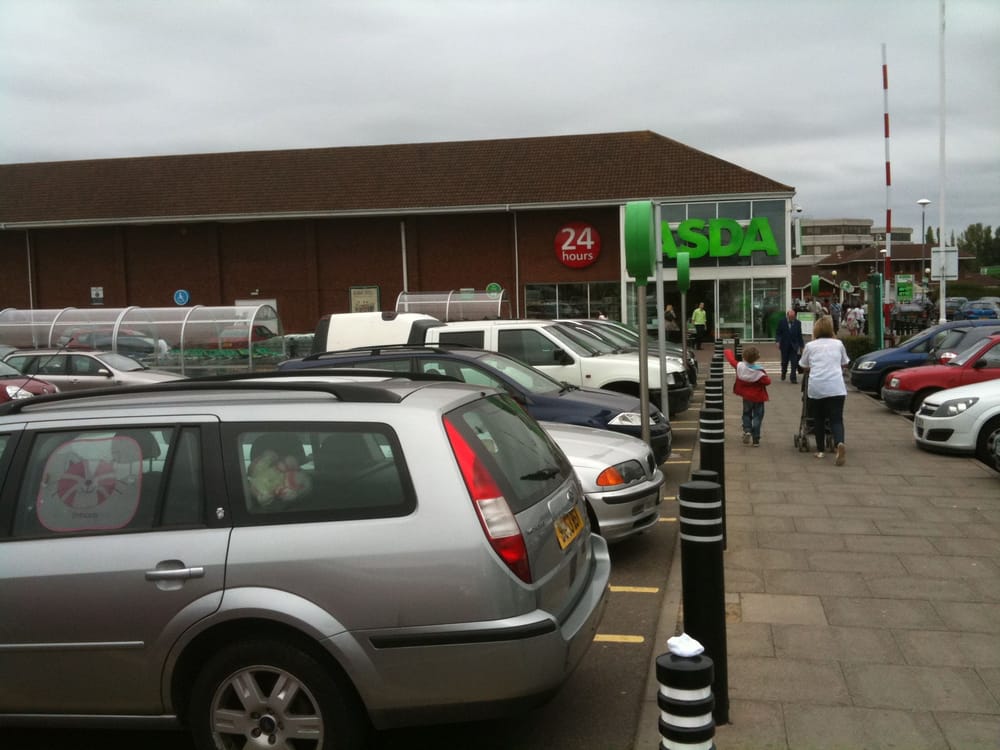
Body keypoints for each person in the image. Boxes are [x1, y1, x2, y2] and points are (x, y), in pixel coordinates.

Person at [798, 315, 850, 465]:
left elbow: (803, 364)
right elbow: (845, 362)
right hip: (836, 386)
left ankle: (820, 450)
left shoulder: (810, 346)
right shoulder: (838, 344)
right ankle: (839, 443)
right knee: (836, 418)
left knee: (818, 418)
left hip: (817, 386)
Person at [724, 345, 770, 446]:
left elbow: (732, 361)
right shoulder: (759, 371)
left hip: (747, 397)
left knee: (746, 414)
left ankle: (747, 430)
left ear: (744, 357)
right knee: (758, 417)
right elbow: (767, 381)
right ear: (757, 358)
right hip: (758, 397)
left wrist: (727, 351)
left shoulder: (740, 367)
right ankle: (756, 439)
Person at [775, 309, 805, 383]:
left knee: (794, 362)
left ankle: (793, 378)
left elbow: (799, 335)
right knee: (784, 362)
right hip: (784, 345)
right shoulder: (782, 322)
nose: (792, 318)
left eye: (793, 316)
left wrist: (801, 346)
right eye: (791, 316)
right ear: (787, 316)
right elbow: (778, 333)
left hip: (794, 346)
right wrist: (778, 341)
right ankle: (783, 373)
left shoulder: (798, 323)